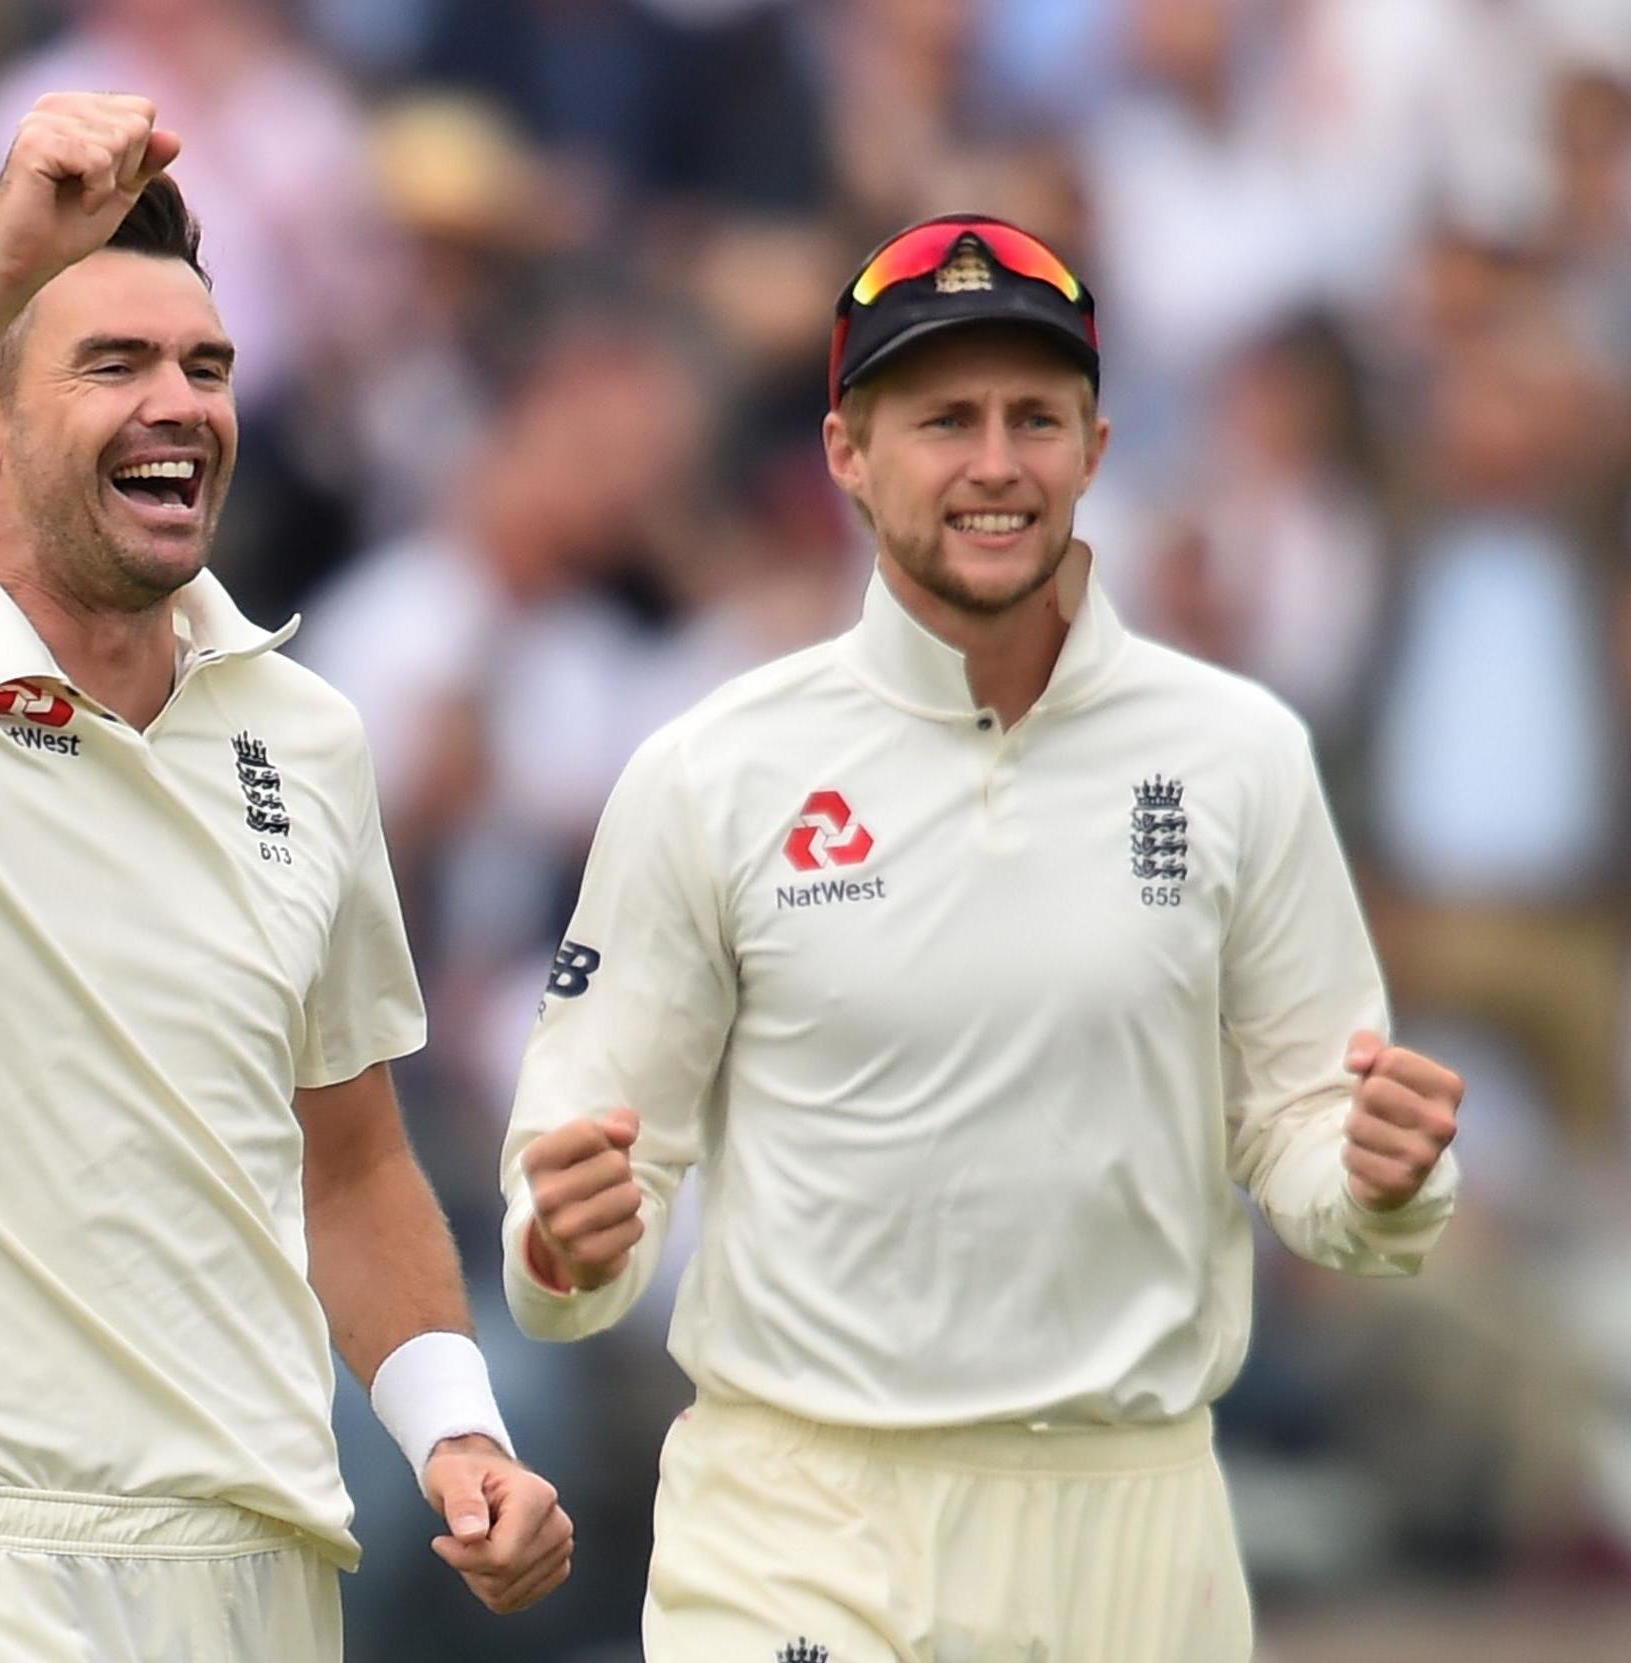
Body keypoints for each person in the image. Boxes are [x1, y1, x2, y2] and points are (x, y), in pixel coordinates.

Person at [0, 92, 570, 1661]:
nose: (181, 403)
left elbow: (346, 1160)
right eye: (115, 364)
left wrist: (458, 1435)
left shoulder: (303, 730)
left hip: (264, 1557)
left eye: (205, 367)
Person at [497, 214, 1466, 1662]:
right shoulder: (715, 771)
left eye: (1034, 418)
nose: (995, 463)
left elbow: (1308, 1131)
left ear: (1095, 446)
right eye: (943, 419)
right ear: (845, 453)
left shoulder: (1236, 754)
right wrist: (561, 1249)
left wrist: (1384, 1183)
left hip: (1133, 1530)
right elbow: (585, 1169)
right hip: (800, 1516)